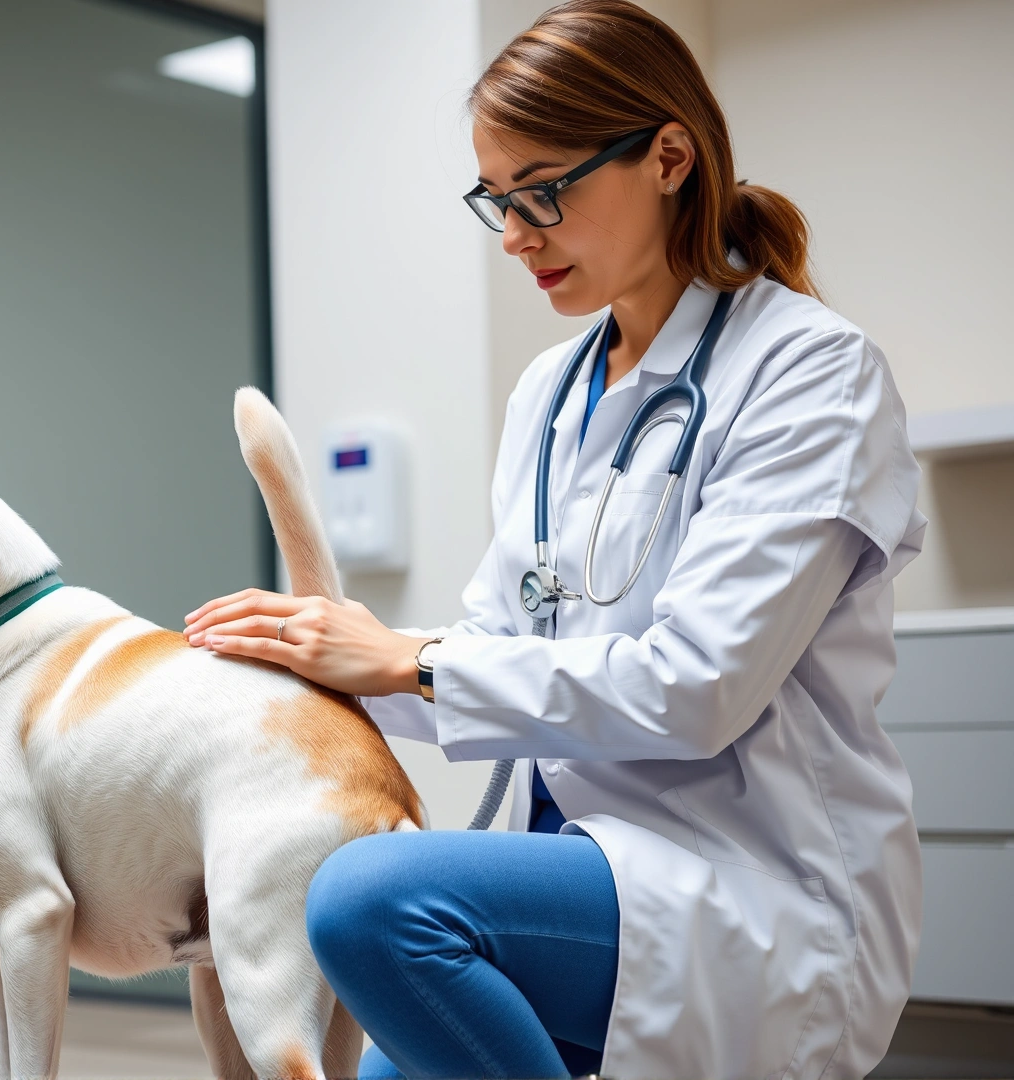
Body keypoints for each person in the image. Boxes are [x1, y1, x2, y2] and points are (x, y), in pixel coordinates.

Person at [182, 2, 923, 1076]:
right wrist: (314, 661)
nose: (519, 234)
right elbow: (498, 645)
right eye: (498, 199)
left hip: (751, 890)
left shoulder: (810, 370)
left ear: (669, 156)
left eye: (543, 192)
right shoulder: (552, 391)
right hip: (574, 872)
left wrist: (411, 659)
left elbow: (699, 687)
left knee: (367, 903)